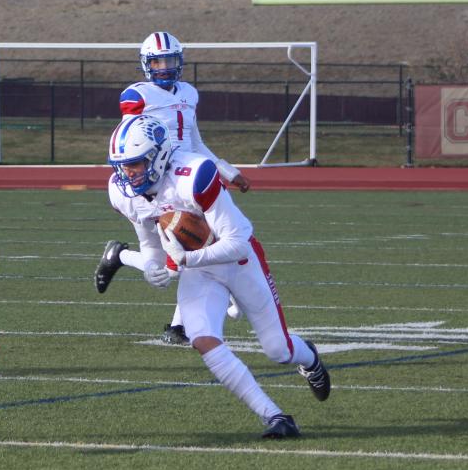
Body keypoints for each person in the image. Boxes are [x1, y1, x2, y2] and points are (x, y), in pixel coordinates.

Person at [94, 113, 330, 439]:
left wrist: (188, 257)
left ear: (159, 155)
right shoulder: (124, 192)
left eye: (135, 163)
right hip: (199, 269)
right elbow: (150, 245)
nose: (127, 174)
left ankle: (311, 359)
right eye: (122, 165)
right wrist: (153, 268)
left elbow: (238, 240)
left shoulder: (194, 174)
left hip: (240, 260)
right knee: (203, 339)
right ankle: (275, 417)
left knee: (279, 350)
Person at [113, 30, 251, 345]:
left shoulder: (189, 92)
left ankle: (180, 326)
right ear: (146, 64)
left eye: (169, 60)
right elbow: (127, 141)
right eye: (157, 61)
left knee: (201, 246)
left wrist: (228, 171)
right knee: (167, 263)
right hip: (158, 183)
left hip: (192, 177)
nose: (164, 67)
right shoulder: (137, 96)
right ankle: (120, 256)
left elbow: (195, 142)